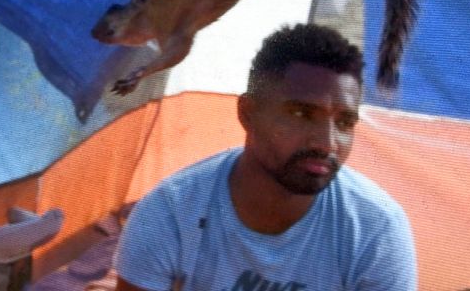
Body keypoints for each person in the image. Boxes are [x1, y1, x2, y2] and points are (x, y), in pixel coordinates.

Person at [114, 23, 417, 290]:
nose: (327, 144)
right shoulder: (171, 212)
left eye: (344, 123)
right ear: (248, 114)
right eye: (301, 113)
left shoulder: (377, 229)